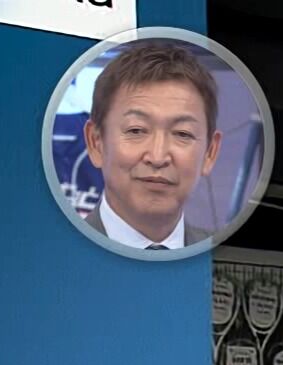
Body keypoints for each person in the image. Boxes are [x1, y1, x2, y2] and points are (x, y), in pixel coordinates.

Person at [78, 40, 223, 250]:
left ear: (210, 152)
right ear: (95, 142)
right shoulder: (53, 252)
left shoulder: (219, 254)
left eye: (182, 133)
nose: (157, 157)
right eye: (136, 130)